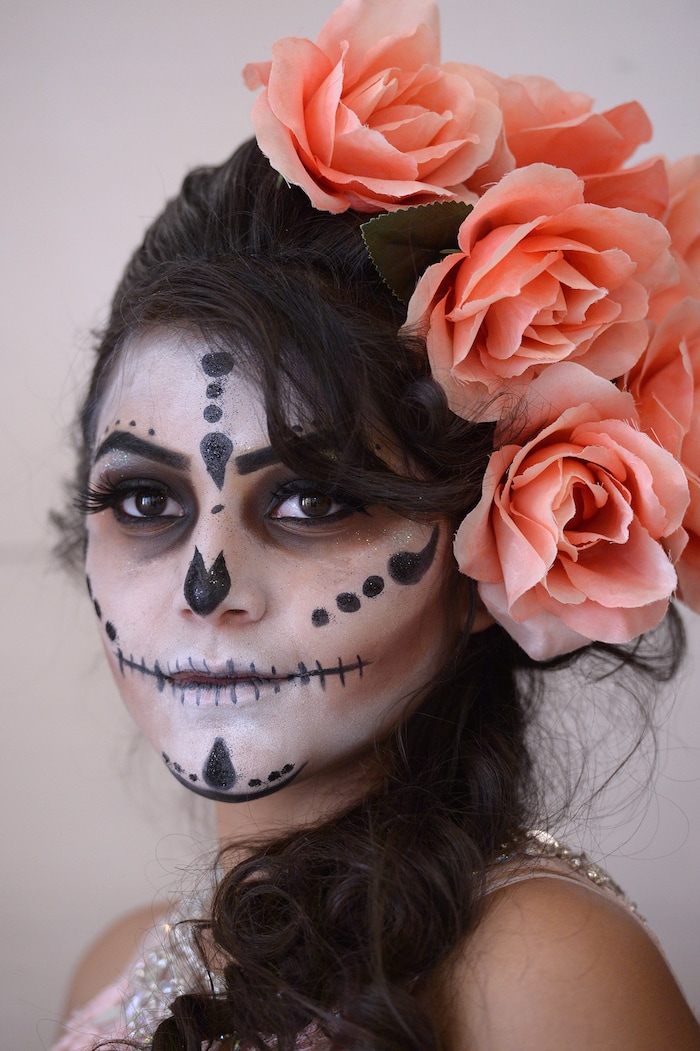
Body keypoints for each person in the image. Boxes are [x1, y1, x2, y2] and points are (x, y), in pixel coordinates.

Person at [50, 1, 700, 1048]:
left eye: (314, 498)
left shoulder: (538, 972)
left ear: (498, 557)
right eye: (144, 501)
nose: (206, 585)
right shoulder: (115, 962)